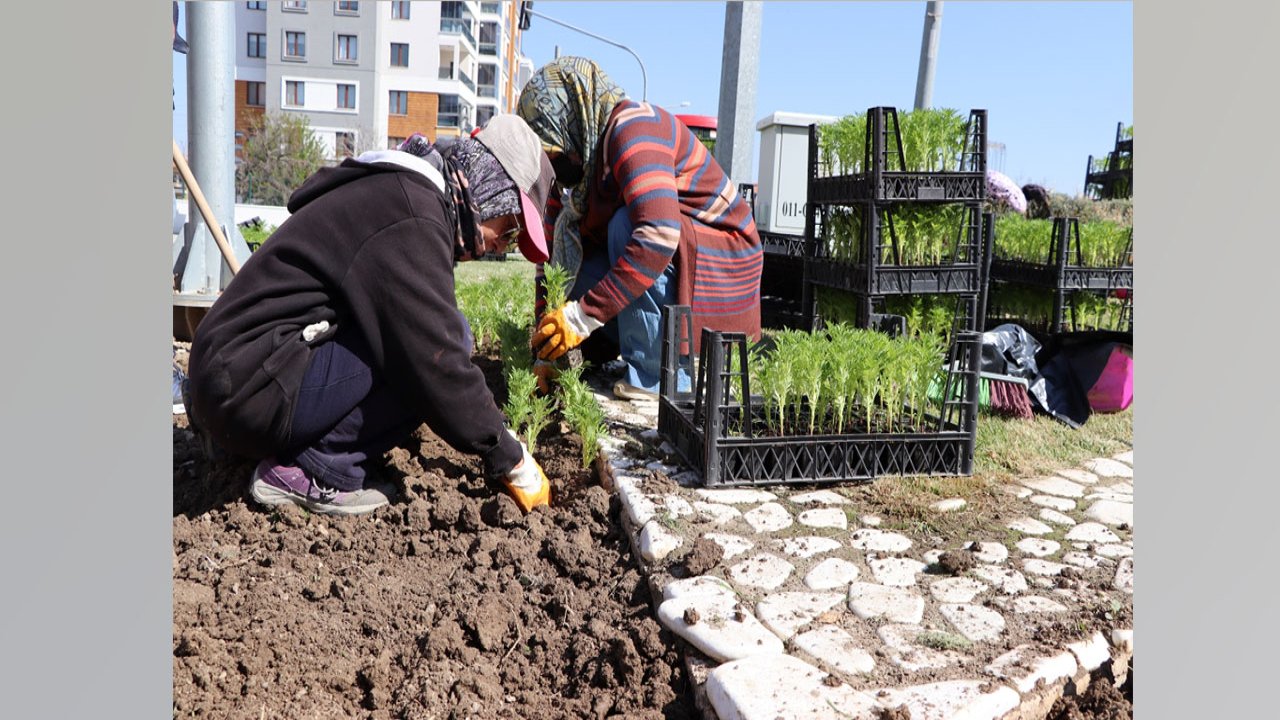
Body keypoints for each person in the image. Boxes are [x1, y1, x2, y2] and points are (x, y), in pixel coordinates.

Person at [186, 115, 556, 516]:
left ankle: (237, 439)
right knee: (434, 347)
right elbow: (436, 361)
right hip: (245, 387)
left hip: (229, 377)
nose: (499, 245)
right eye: (509, 227)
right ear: (490, 187)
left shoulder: (401, 190)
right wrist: (509, 455)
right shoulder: (412, 213)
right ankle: (317, 470)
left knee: (421, 336)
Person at [516, 57, 763, 400]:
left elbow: (658, 235)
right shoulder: (579, 177)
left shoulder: (635, 127)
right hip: (677, 259)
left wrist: (582, 317)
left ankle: (660, 379)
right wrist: (545, 349)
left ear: (573, 122)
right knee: (575, 252)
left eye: (554, 152)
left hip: (721, 264)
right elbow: (549, 259)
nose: (553, 165)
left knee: (626, 225)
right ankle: (623, 352)